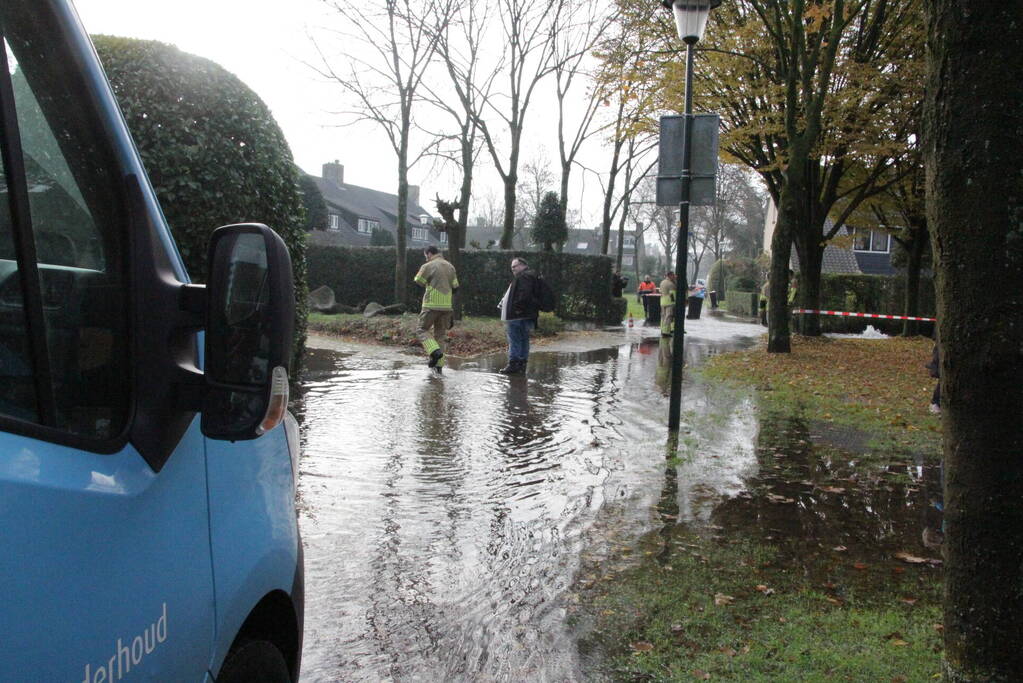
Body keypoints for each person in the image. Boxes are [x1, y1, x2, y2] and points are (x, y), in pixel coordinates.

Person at [413, 245, 459, 374]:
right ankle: (438, 366)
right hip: (446, 306)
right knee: (440, 335)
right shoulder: (450, 266)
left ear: (428, 253)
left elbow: (418, 281)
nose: (426, 258)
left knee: (421, 329)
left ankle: (434, 352)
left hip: (431, 304)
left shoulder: (428, 265)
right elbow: (455, 287)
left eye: (426, 256)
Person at [498, 256, 540, 375]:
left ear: (523, 265)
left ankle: (513, 364)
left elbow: (524, 295)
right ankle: (522, 364)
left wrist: (517, 309)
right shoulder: (532, 276)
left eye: (515, 266)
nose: (513, 269)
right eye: (512, 267)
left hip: (518, 316)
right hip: (527, 315)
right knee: (524, 339)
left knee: (515, 339)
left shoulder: (523, 277)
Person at [659, 271, 677, 337]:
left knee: (663, 316)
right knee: (668, 317)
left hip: (662, 301)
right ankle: (666, 332)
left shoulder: (662, 282)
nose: (674, 277)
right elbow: (673, 295)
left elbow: (660, 291)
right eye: (673, 275)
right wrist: (674, 302)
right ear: (670, 275)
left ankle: (662, 329)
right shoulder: (671, 284)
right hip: (669, 302)